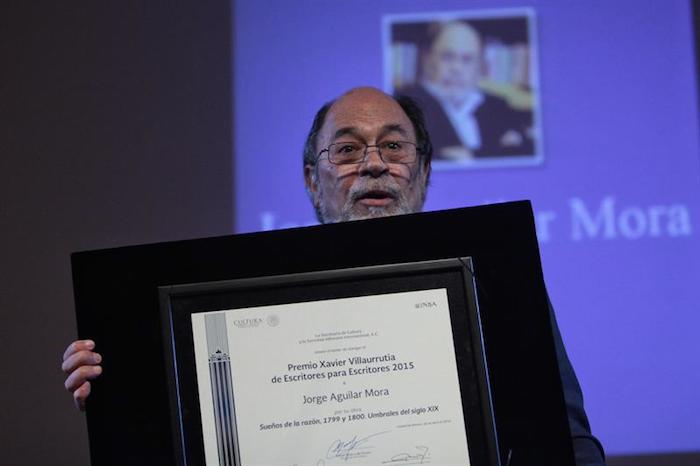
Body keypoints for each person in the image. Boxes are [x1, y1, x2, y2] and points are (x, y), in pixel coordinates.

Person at [62, 87, 604, 465]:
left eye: (394, 145)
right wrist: (120, 399)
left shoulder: (500, 287)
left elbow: (570, 441)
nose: (373, 163)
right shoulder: (239, 300)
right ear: (312, 180)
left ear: (425, 171)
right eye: (346, 149)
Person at [397, 21, 534, 160]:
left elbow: (522, 152)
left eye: (467, 59)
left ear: (480, 66)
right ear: (429, 59)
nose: (456, 68)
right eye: (448, 57)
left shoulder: (498, 106)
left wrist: (472, 155)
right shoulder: (410, 108)